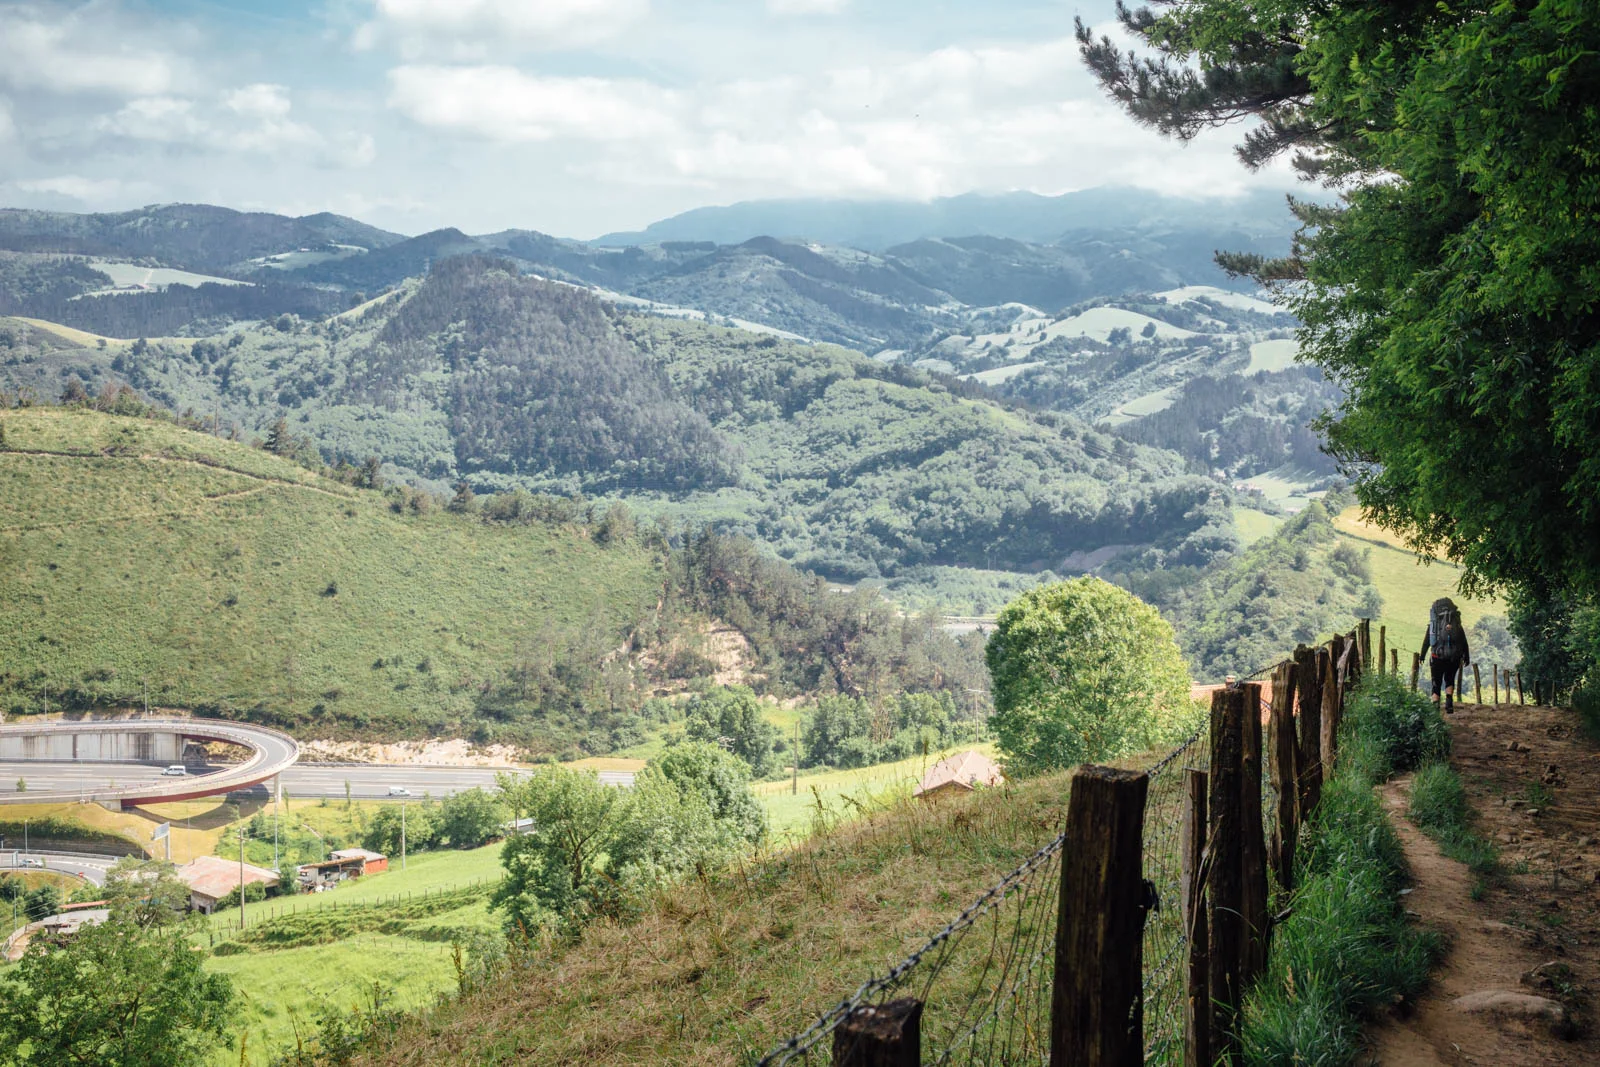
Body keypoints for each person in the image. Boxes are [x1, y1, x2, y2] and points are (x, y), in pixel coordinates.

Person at [1420, 596, 1471, 712]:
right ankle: (1449, 703)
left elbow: (1427, 641)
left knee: (1436, 681)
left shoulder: (1434, 625)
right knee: (1450, 678)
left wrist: (1422, 656)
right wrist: (1466, 656)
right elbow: (1463, 641)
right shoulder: (1457, 624)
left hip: (1436, 657)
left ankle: (1435, 706)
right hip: (1453, 657)